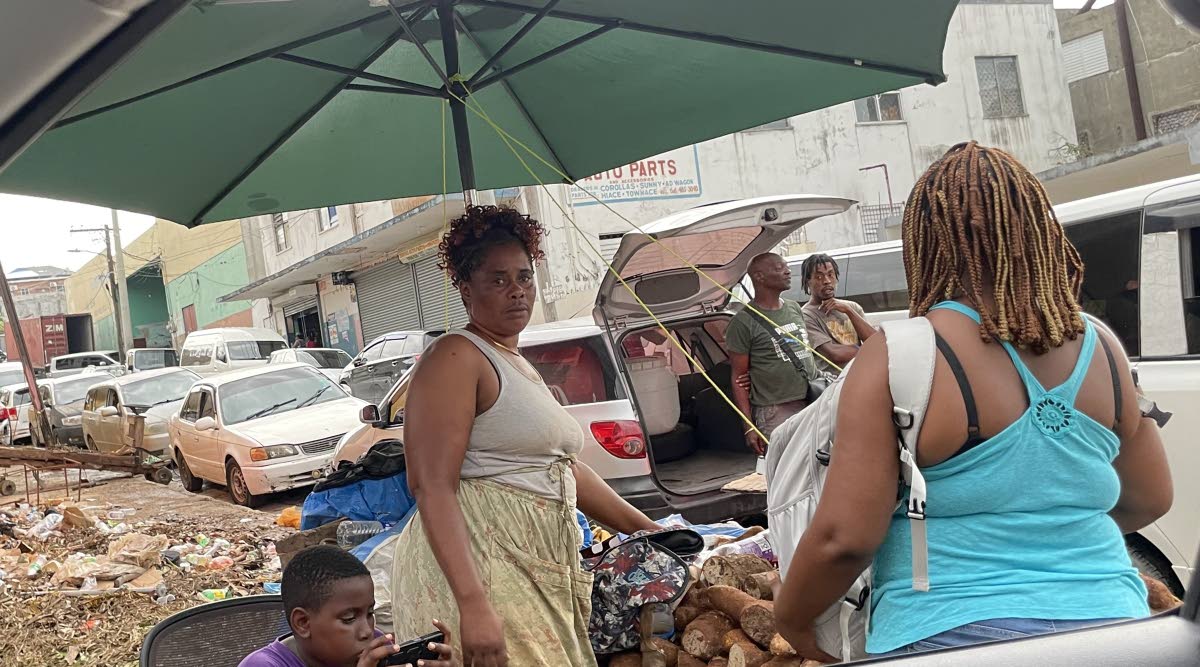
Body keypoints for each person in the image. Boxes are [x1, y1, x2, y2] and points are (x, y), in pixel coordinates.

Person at [774, 142, 1172, 658]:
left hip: (949, 636)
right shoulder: (1102, 347)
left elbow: (843, 540)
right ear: (1037, 229)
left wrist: (793, 619)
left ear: (926, 243)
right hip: (1113, 628)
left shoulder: (898, 355)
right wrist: (1046, 537)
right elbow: (1151, 497)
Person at [389, 205, 660, 667]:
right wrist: (473, 605)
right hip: (481, 569)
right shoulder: (455, 355)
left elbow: (563, 468)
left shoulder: (514, 361)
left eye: (524, 277)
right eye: (498, 280)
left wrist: (650, 532)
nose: (517, 291)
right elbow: (431, 484)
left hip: (531, 565)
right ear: (464, 288)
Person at [238, 545, 453, 667]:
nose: (367, 631)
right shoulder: (264, 665)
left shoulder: (372, 647)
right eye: (349, 619)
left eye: (369, 613)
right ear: (303, 623)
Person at [727, 252, 818, 456]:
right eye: (779, 268)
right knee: (787, 472)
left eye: (786, 266)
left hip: (811, 400)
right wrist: (749, 426)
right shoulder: (743, 322)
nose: (788, 271)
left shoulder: (794, 308)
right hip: (775, 411)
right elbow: (738, 377)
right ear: (759, 277)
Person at [798, 253, 876, 374]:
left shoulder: (851, 307)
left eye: (831, 274)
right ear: (808, 281)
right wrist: (870, 350)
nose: (827, 281)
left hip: (863, 374)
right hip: (835, 383)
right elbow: (834, 353)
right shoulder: (806, 315)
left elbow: (874, 339)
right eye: (819, 277)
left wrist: (849, 311)